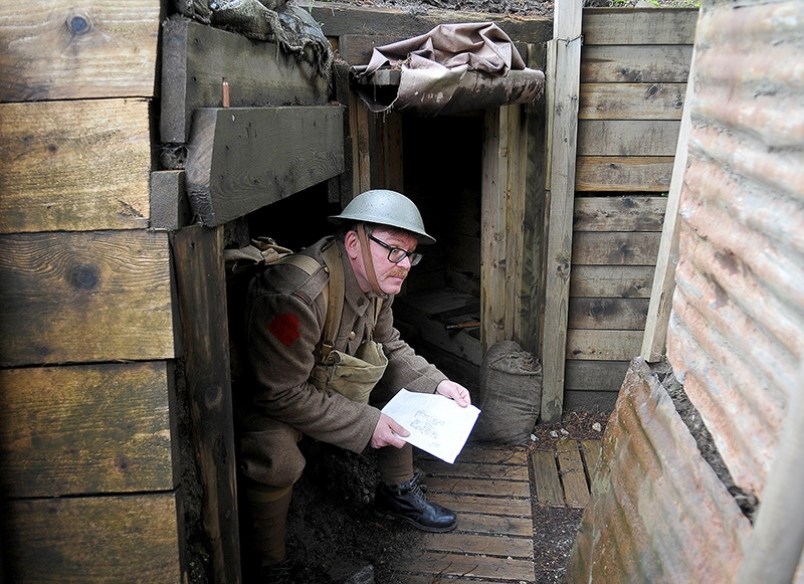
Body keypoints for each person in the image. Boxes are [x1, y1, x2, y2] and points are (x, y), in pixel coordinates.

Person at [236, 188, 473, 579]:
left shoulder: (379, 282)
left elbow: (388, 345)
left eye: (410, 254)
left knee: (406, 384)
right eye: (394, 250)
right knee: (275, 453)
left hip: (321, 378)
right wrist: (367, 424)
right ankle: (270, 565)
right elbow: (277, 392)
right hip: (271, 392)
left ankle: (396, 491)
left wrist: (437, 384)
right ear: (353, 242)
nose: (405, 264)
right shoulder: (296, 296)